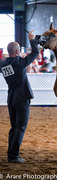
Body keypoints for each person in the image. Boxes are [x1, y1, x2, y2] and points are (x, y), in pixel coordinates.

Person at [0, 31, 39, 163]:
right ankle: (13, 156)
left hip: (11, 99)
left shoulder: (3, 65)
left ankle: (11, 154)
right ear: (17, 52)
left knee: (14, 127)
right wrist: (31, 39)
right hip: (21, 99)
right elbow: (35, 53)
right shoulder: (19, 63)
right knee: (20, 128)